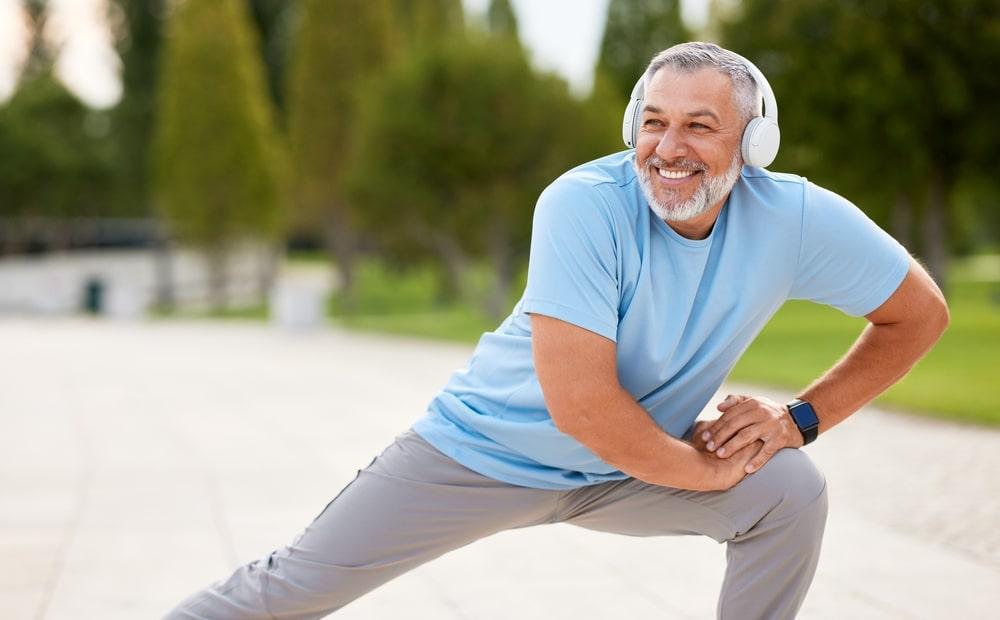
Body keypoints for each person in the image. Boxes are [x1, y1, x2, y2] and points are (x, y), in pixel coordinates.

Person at [165, 42, 948, 620]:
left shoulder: (794, 218)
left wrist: (796, 420)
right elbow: (581, 408)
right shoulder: (583, 204)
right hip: (481, 454)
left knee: (788, 494)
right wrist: (698, 472)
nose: (668, 148)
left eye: (701, 126)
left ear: (753, 144)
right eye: (653, 123)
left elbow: (919, 313)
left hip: (629, 464)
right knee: (292, 588)